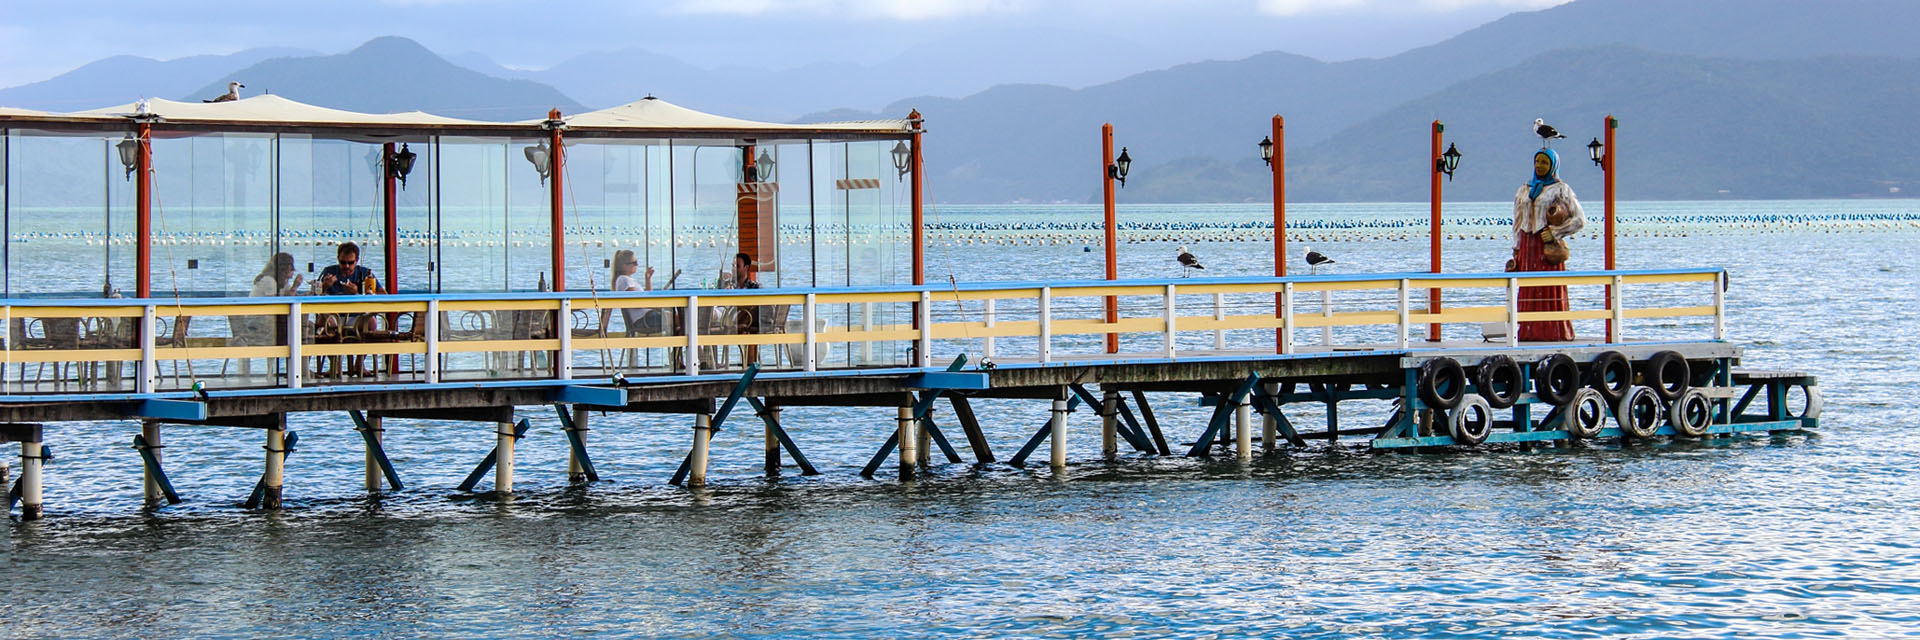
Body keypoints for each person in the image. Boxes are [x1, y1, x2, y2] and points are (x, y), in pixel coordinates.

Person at [1509, 148, 1586, 342]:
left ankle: (1555, 331)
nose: (1539, 166)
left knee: (1548, 288)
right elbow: (1517, 221)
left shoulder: (1561, 189)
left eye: (1544, 162)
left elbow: (1579, 219)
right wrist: (1516, 248)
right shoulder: (1524, 189)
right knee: (1527, 288)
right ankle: (1527, 331)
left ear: (1553, 165)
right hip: (1527, 248)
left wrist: (1555, 232)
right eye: (1537, 162)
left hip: (1547, 248)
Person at [315, 242, 378, 376]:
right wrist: (324, 287)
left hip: (356, 317)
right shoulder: (329, 272)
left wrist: (357, 294)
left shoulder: (365, 274)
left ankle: (359, 363)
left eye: (350, 263)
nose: (346, 266)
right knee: (323, 321)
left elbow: (383, 294)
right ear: (338, 259)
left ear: (357, 261)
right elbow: (314, 294)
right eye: (343, 263)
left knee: (371, 322)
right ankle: (334, 365)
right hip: (334, 316)